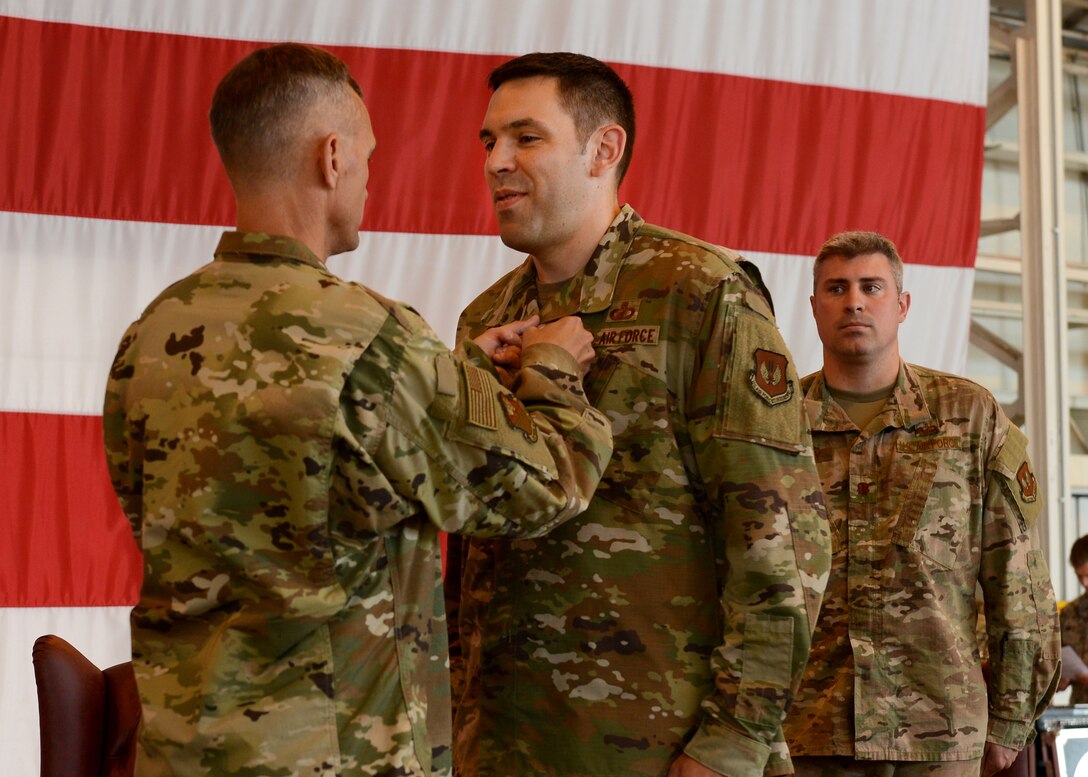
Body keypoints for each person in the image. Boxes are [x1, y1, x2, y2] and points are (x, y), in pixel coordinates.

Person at [102, 43, 615, 776]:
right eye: (368, 156)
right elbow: (543, 486)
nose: (370, 178)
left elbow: (293, 463)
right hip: (334, 756)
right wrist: (555, 370)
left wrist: (458, 377)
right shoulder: (368, 338)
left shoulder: (153, 331)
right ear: (332, 157)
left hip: (183, 752)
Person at [445, 52, 830, 777]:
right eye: (489, 141)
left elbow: (781, 533)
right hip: (500, 742)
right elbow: (468, 547)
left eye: (526, 138)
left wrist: (733, 739)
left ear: (604, 149)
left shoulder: (700, 292)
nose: (496, 162)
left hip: (658, 746)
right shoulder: (486, 318)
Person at [783, 230, 1061, 777]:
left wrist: (1011, 717)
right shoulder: (777, 420)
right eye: (837, 288)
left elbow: (1017, 577)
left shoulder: (968, 415)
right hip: (807, 727)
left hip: (940, 730)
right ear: (814, 307)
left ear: (903, 305)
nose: (854, 302)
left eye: (872, 287)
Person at [1060, 535, 1088, 701]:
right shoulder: (1070, 612)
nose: (1084, 583)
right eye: (1079, 576)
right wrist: (1060, 680)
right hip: (1079, 709)